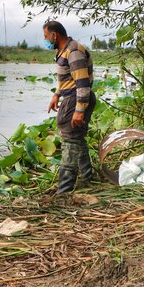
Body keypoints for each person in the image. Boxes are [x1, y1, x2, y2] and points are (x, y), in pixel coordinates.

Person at [44, 21, 96, 194]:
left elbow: (82, 83)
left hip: (77, 98)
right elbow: (68, 78)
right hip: (71, 96)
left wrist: (79, 110)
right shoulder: (64, 51)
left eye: (46, 36)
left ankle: (64, 189)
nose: (45, 40)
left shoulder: (73, 51)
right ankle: (88, 177)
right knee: (77, 137)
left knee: (70, 140)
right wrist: (56, 94)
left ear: (54, 35)